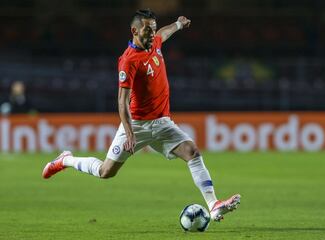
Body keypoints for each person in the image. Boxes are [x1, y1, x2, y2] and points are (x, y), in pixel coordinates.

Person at [42, 9, 240, 222]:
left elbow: (164, 33)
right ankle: (66, 160)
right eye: (147, 31)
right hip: (137, 125)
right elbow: (122, 101)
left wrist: (179, 24)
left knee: (192, 152)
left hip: (163, 123)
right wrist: (129, 133)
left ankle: (213, 205)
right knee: (106, 172)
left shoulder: (154, 42)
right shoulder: (128, 61)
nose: (152, 34)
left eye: (153, 29)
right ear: (134, 31)